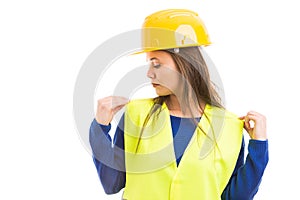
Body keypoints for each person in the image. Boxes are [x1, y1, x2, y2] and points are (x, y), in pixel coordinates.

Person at [89, 9, 269, 200]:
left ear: (185, 62)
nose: (149, 73)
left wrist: (259, 146)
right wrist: (99, 128)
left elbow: (234, 197)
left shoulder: (229, 126)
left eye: (156, 64)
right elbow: (111, 183)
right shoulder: (137, 114)